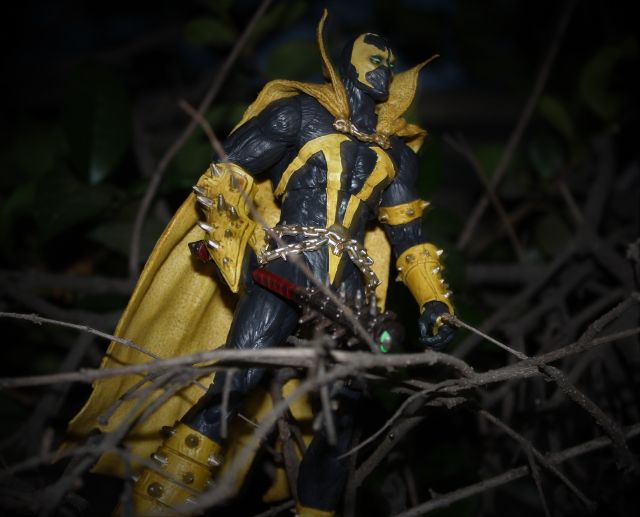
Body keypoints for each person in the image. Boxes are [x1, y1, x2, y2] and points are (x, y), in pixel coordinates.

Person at [66, 11, 455, 517]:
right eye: (373, 57)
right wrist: (238, 250)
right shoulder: (297, 115)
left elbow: (409, 237)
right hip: (287, 267)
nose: (384, 67)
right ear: (346, 63)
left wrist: (434, 302)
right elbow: (226, 176)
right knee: (235, 384)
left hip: (350, 290)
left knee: (345, 415)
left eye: (389, 61)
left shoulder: (397, 154)